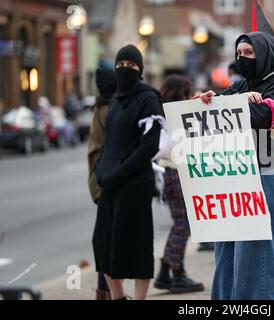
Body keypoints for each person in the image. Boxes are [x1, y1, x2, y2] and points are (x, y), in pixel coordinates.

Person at [196, 31, 274, 300]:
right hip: (235, 179)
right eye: (239, 54)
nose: (242, 59)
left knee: (257, 259)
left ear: (264, 55)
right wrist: (208, 100)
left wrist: (235, 103)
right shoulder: (241, 87)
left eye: (248, 53)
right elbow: (218, 108)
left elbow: (266, 118)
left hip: (265, 178)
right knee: (227, 257)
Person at [93, 45, 162, 300]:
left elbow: (149, 146)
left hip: (134, 185)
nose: (125, 70)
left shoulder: (148, 98)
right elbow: (108, 141)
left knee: (135, 247)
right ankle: (118, 297)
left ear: (140, 70)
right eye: (120, 65)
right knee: (105, 246)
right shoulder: (114, 100)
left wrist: (120, 172)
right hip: (109, 185)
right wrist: (101, 169)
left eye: (131, 66)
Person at [153, 75, 204, 294]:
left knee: (180, 224)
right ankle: (175, 273)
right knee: (184, 224)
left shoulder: (163, 112)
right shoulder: (177, 114)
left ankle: (167, 271)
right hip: (176, 172)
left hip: (168, 173)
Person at [87, 68, 117, 300]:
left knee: (103, 239)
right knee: (109, 240)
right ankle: (106, 292)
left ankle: (103, 291)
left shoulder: (99, 107)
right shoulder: (111, 109)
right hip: (109, 181)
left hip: (99, 180)